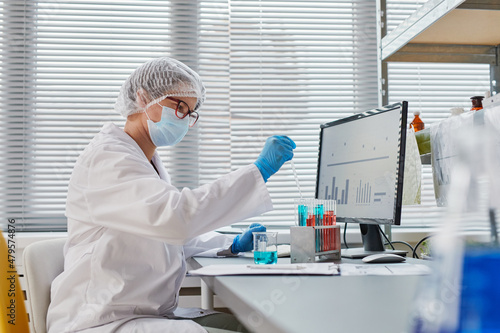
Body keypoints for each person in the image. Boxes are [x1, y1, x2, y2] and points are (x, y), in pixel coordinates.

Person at [46, 57, 296, 333]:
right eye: (179, 107)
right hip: (100, 319)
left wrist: (231, 244)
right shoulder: (108, 159)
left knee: (248, 325)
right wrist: (258, 171)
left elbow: (168, 236)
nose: (186, 119)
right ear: (143, 98)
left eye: (190, 112)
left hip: (139, 312)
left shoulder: (144, 161)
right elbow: (175, 218)